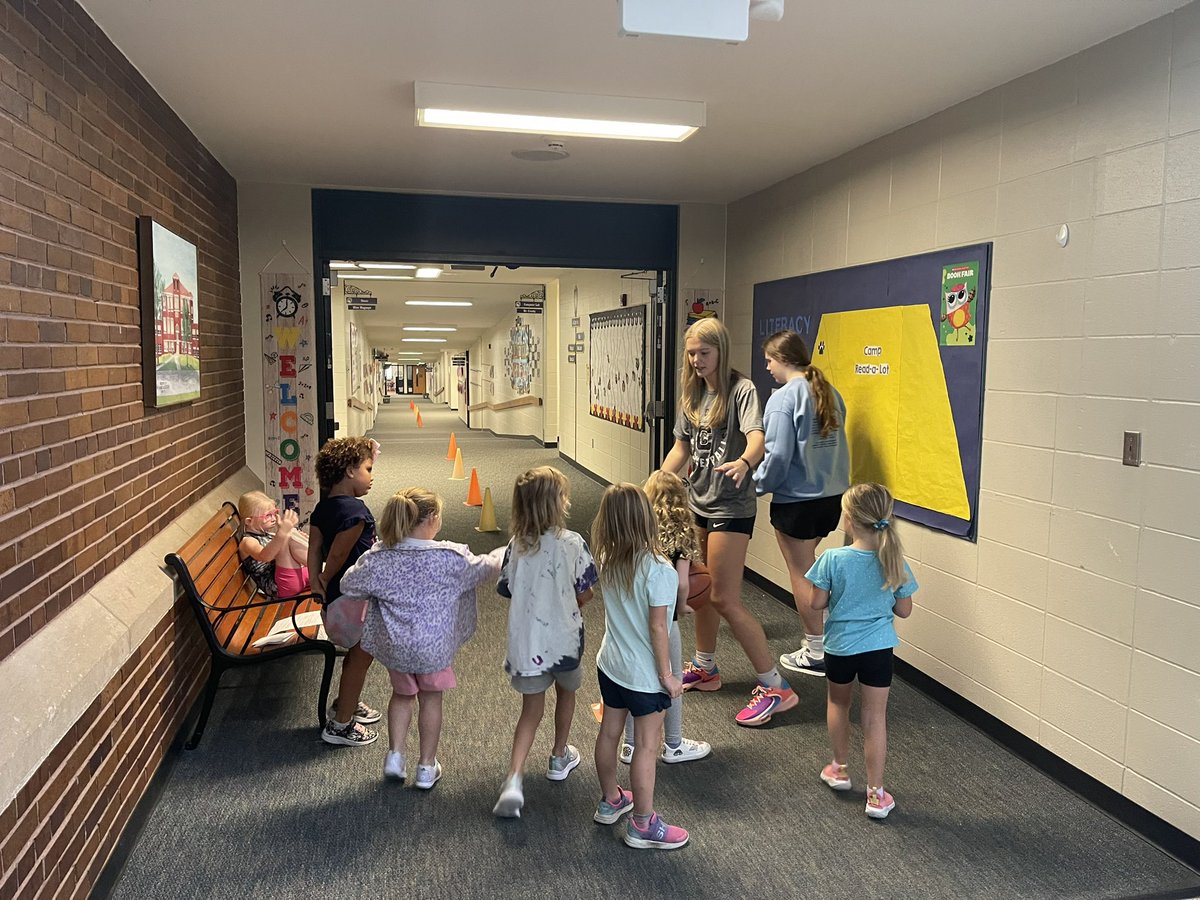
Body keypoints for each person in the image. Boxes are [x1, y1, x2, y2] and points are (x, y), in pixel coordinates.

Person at [660, 317, 797, 727]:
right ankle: (705, 667)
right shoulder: (693, 392)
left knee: (723, 597)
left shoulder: (742, 389)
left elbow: (757, 438)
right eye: (691, 353)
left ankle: (776, 686)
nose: (696, 360)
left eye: (704, 352)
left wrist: (745, 462)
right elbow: (682, 448)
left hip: (732, 507)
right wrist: (658, 482)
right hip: (698, 502)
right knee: (699, 589)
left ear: (720, 349)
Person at [340, 488, 504, 788]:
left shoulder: (379, 558)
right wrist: (503, 552)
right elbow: (486, 569)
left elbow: (348, 585)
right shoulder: (449, 557)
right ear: (433, 519)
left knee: (401, 697)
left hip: (397, 646)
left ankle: (395, 756)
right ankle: (427, 767)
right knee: (431, 699)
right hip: (433, 648)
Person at [492, 466, 598, 818]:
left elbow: (507, 588)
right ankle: (558, 755)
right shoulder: (573, 543)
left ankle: (514, 778)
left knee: (530, 711)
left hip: (528, 644)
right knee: (567, 694)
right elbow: (586, 592)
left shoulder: (516, 546)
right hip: (565, 642)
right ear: (557, 503)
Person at [808, 483, 917, 820]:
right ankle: (876, 794)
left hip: (840, 647)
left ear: (850, 520)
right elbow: (904, 610)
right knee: (875, 718)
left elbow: (816, 603)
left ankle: (839, 769)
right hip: (878, 649)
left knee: (838, 703)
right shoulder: (893, 561)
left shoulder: (832, 558)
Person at [590, 483, 688, 850]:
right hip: (645, 676)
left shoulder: (606, 556)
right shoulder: (660, 569)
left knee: (609, 733)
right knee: (647, 746)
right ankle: (643, 825)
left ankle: (611, 800)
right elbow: (659, 627)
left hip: (611, 664)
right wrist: (668, 676)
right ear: (647, 518)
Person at [754, 330, 850, 678]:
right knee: (813, 568)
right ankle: (827, 640)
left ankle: (815, 651)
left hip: (797, 502)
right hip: (831, 498)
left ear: (782, 359)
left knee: (802, 574)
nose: (768, 368)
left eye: (769, 360)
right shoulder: (830, 392)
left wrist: (756, 485)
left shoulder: (783, 398)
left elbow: (777, 457)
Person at [620, 471, 711, 765]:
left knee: (634, 680)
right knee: (672, 679)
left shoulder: (639, 528)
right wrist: (682, 606)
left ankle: (629, 745)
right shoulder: (682, 533)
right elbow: (683, 583)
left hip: (636, 616)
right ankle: (673, 744)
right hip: (665, 617)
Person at [308, 436, 381, 747]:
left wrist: (316, 581)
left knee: (356, 656)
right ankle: (340, 725)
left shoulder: (322, 508)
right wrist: (325, 576)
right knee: (360, 658)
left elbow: (314, 548)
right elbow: (338, 553)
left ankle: (346, 702)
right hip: (355, 598)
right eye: (367, 469)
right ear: (350, 471)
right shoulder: (355, 512)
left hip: (336, 599)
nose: (371, 476)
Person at [237, 491, 311, 600]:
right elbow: (265, 556)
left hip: (294, 576)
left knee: (291, 533)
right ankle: (318, 564)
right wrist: (282, 533)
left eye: (274, 513)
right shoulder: (248, 542)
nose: (273, 518)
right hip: (281, 586)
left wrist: (297, 536)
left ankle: (320, 565)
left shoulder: (267, 534)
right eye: (268, 515)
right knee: (287, 536)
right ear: (249, 521)